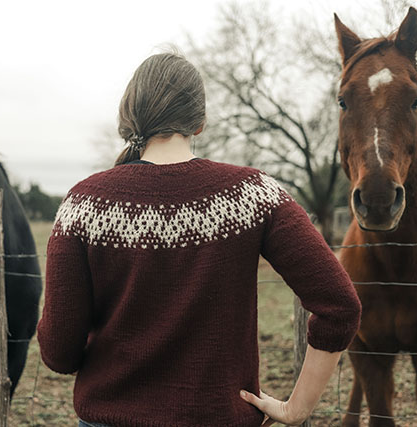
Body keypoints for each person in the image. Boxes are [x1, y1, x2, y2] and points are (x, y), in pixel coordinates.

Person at [37, 52, 361, 427]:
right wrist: (296, 409)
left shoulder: (83, 205)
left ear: (128, 117)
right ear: (200, 123)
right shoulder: (253, 194)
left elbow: (59, 353)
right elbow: (340, 306)